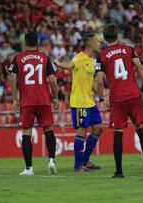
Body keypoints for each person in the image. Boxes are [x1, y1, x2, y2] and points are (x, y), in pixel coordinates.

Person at [95, 24, 143, 178]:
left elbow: (100, 80)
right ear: (118, 36)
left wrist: (102, 98)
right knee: (140, 129)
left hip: (118, 98)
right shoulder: (129, 50)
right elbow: (140, 69)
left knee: (118, 133)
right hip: (134, 95)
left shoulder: (101, 55)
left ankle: (119, 171)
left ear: (105, 38)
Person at [9, 32, 59, 176]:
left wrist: (14, 98)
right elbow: (52, 80)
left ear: (25, 43)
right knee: (49, 129)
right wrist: (55, 97)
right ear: (37, 43)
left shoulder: (18, 58)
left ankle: (29, 168)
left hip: (27, 101)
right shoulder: (44, 58)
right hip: (43, 100)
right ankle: (51, 160)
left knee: (26, 132)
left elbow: (12, 78)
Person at [53, 33, 103, 172]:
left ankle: (86, 160)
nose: (100, 44)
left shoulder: (92, 60)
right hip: (80, 102)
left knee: (99, 128)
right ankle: (77, 166)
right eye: (97, 42)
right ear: (90, 44)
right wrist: (59, 64)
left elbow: (90, 82)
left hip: (90, 102)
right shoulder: (79, 57)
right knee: (82, 131)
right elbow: (70, 64)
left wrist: (101, 93)